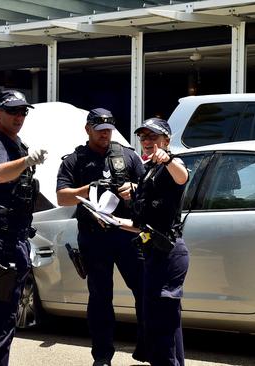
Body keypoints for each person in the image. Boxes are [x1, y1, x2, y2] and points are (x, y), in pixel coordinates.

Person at [56, 108, 146, 366]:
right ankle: (102, 356)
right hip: (95, 237)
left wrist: (134, 188)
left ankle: (147, 347)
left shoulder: (126, 155)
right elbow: (62, 196)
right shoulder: (75, 160)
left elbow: (149, 188)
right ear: (88, 130)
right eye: (100, 131)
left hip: (127, 234)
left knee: (143, 291)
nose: (105, 135)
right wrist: (90, 188)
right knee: (100, 298)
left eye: (108, 131)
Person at [0, 90, 48, 366]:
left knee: (1, 317)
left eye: (23, 112)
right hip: (0, 243)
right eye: (13, 111)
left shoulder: (16, 143)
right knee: (0, 319)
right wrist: (27, 162)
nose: (19, 117)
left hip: (14, 240)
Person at [118, 117, 190, 366]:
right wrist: (114, 221)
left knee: (162, 326)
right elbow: (144, 224)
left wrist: (168, 159)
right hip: (152, 251)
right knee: (156, 325)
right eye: (143, 137)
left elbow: (182, 177)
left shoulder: (172, 163)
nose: (147, 142)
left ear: (166, 141)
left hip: (169, 254)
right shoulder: (149, 171)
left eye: (153, 137)